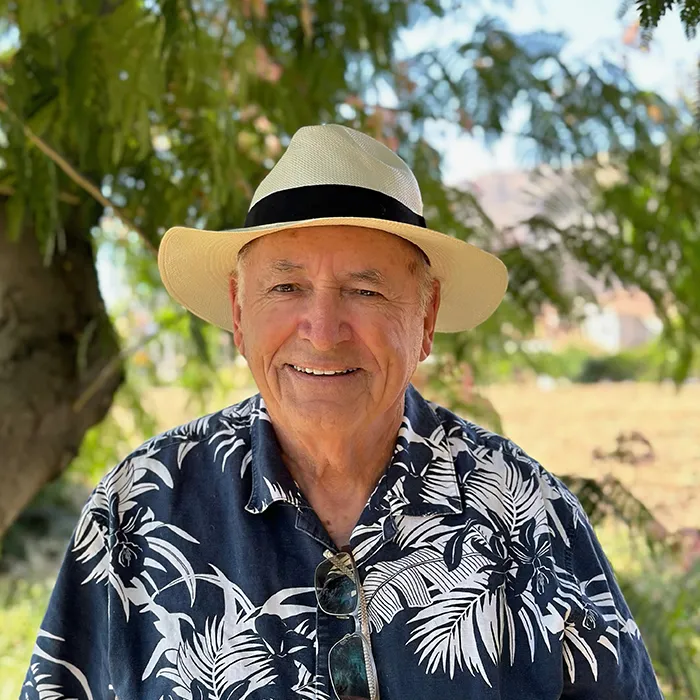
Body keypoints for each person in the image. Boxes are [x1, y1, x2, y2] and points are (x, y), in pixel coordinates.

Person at [22, 124, 662, 700]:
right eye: (286, 287)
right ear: (240, 316)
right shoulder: (137, 510)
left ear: (427, 319)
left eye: (364, 290)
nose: (323, 331)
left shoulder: (528, 514)